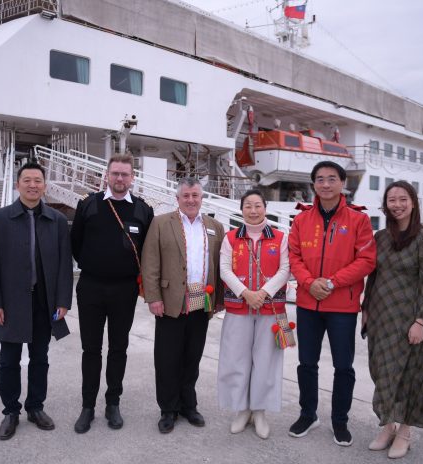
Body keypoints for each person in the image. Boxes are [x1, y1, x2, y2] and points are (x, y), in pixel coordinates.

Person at [0, 161, 73, 440]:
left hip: (44, 303)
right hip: (10, 303)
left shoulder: (56, 221)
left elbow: (63, 266)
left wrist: (63, 301)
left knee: (40, 358)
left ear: (45, 186)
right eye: (27, 180)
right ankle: (11, 411)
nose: (33, 185)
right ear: (18, 184)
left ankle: (35, 407)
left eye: (38, 180)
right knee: (9, 360)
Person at [288, 160, 376, 446]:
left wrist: (332, 282)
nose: (326, 184)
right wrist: (309, 283)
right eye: (320, 179)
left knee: (343, 366)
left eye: (332, 178)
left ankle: (340, 421)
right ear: (313, 184)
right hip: (308, 304)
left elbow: (366, 260)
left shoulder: (358, 220)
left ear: (342, 183)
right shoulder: (301, 220)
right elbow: (294, 257)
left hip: (342, 307)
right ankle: (308, 414)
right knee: (306, 363)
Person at [70, 154, 154, 433]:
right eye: (115, 173)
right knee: (90, 349)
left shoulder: (143, 211)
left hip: (125, 289)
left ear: (132, 178)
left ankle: (113, 403)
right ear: (107, 175)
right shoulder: (88, 205)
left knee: (119, 348)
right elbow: (76, 244)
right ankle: (88, 406)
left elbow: (148, 252)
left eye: (125, 174)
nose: (120, 179)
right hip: (91, 287)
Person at [361, 180, 423, 459]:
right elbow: (373, 276)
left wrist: (421, 320)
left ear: (413, 202)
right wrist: (366, 309)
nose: (397, 205)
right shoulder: (381, 237)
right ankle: (388, 426)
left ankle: (405, 432)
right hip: (382, 317)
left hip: (410, 320)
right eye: (391, 200)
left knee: (409, 376)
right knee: (383, 373)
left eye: (402, 199)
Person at [141, 177, 225, 434]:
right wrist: (153, 297)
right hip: (169, 300)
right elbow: (150, 262)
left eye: (195, 196)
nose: (191, 200)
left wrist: (219, 300)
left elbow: (219, 266)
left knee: (192, 356)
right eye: (186, 196)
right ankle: (168, 408)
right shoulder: (160, 223)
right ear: (177, 199)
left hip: (202, 298)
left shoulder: (214, 226)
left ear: (202, 198)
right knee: (167, 358)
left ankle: (189, 404)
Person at [217, 189, 290, 439]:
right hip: (239, 307)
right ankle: (242, 408)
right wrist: (246, 292)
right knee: (236, 358)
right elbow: (224, 269)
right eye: (248, 205)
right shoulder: (231, 237)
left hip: (272, 309)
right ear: (242, 209)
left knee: (266, 360)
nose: (253, 210)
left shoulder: (281, 238)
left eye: (258, 205)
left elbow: (285, 270)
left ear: (265, 208)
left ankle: (259, 410)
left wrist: (264, 293)